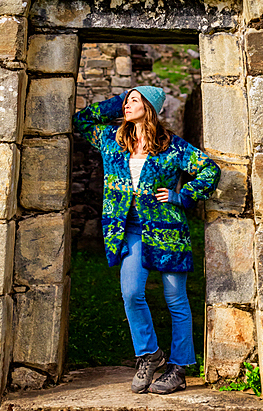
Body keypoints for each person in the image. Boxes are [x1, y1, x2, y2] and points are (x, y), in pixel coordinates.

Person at [73, 84, 221, 395]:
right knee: (130, 293)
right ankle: (149, 354)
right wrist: (119, 103)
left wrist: (183, 196)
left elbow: (209, 170)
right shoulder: (112, 140)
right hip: (131, 231)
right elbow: (83, 119)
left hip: (167, 231)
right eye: (126, 100)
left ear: (150, 107)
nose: (127, 105)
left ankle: (179, 368)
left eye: (134, 100)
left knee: (175, 300)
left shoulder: (171, 146)